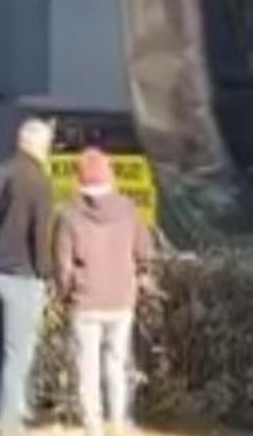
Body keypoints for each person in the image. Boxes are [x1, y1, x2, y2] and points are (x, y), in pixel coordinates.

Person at [53, 148, 154, 436]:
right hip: (122, 299)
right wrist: (138, 277)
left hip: (85, 302)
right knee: (118, 363)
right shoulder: (130, 210)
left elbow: (62, 265)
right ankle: (119, 422)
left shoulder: (68, 216)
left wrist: (66, 293)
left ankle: (93, 426)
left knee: (87, 368)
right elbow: (143, 252)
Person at [0, 118, 55, 436]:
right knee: (18, 353)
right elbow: (40, 232)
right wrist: (45, 272)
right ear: (41, 146)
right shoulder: (38, 180)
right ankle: (9, 424)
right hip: (24, 275)